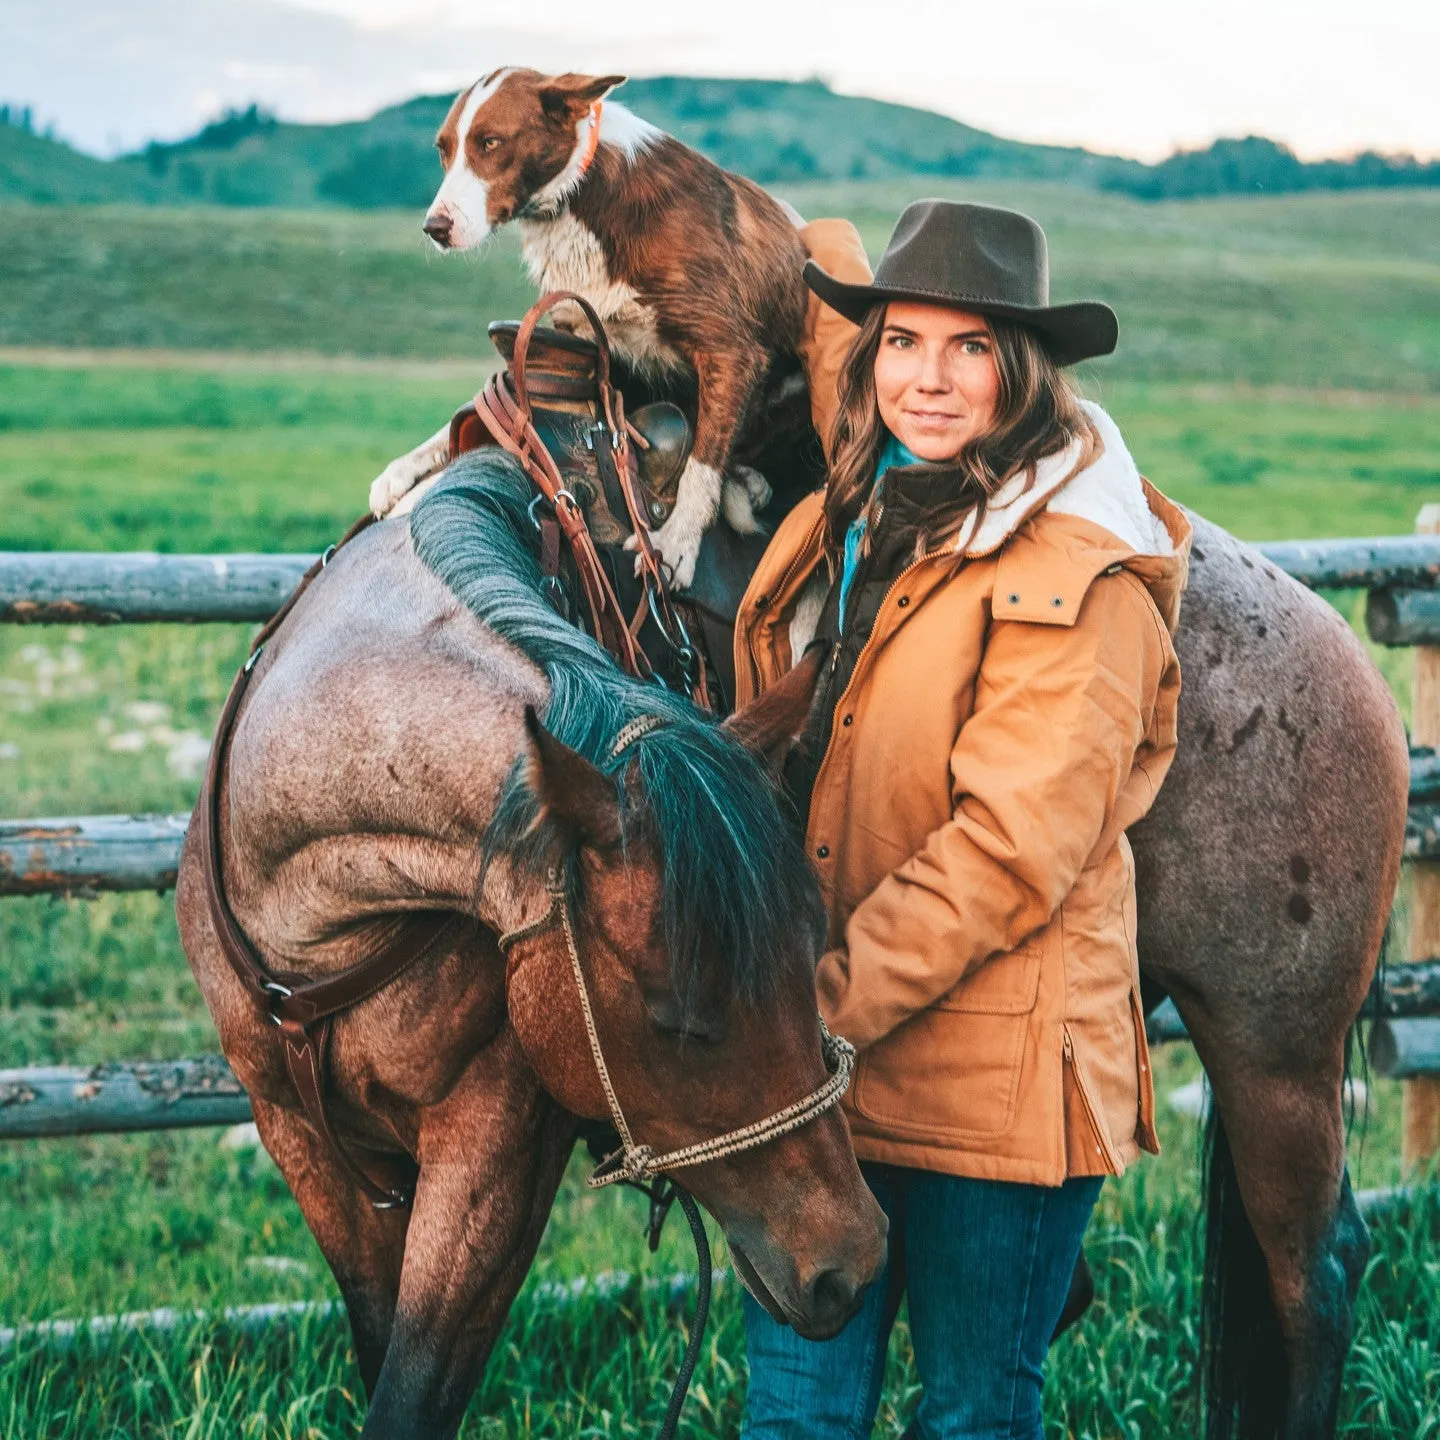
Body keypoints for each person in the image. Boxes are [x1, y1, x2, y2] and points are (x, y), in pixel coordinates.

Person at [733, 200, 1192, 1439]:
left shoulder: (1077, 573)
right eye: (901, 341)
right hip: (827, 1071)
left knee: (974, 1411)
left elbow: (1008, 852)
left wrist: (806, 1017)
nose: (926, 379)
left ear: (1022, 370)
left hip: (992, 1078)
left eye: (968, 347)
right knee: (790, 1412)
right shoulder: (848, 522)